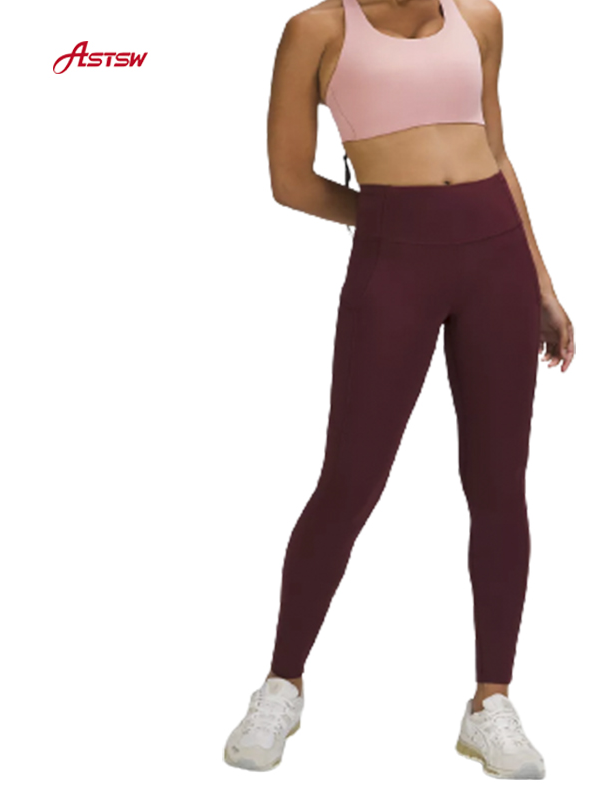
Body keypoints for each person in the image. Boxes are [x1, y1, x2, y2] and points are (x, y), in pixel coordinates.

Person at [224, 0, 574, 780]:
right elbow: (289, 182)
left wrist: (544, 286)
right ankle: (282, 683)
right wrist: (401, 217)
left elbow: (498, 153)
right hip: (396, 266)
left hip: (498, 263)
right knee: (350, 481)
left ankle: (491, 701)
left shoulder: (479, 19)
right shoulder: (318, 31)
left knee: (498, 484)